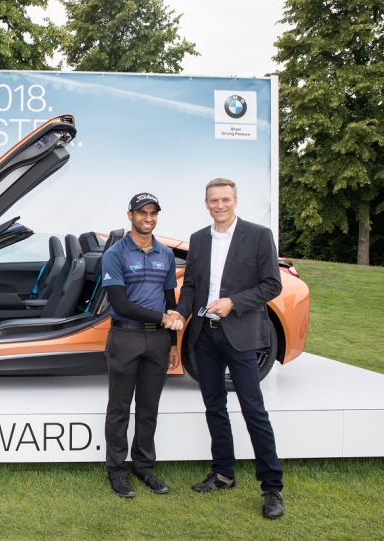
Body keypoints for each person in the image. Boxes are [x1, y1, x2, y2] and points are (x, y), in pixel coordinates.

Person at [176, 178, 285, 519]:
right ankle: (223, 473)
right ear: (206, 203)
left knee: (254, 410)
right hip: (204, 337)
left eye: (225, 199)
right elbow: (191, 286)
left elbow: (272, 285)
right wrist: (179, 314)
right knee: (214, 406)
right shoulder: (198, 239)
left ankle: (272, 488)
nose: (219, 205)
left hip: (240, 336)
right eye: (214, 200)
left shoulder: (259, 235)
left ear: (235, 201)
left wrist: (233, 302)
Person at [100, 192, 185, 498]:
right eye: (142, 213)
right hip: (125, 337)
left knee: (149, 408)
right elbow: (120, 304)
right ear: (130, 215)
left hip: (159, 341)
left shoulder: (165, 254)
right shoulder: (116, 253)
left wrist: (173, 343)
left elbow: (170, 300)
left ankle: (144, 467)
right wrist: (163, 318)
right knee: (119, 408)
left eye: (153, 213)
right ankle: (116, 471)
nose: (148, 218)